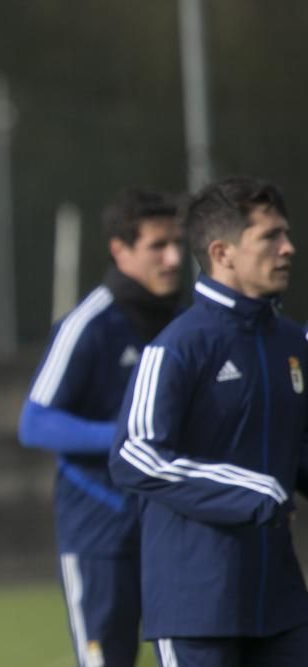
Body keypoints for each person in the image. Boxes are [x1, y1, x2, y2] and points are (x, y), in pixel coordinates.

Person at [109, 177, 308, 666]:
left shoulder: (293, 342)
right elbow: (134, 455)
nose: (289, 248)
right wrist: (252, 490)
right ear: (223, 252)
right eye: (270, 237)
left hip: (281, 603)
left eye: (285, 234)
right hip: (197, 608)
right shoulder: (178, 346)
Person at [18, 188, 184, 667]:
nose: (173, 258)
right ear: (120, 249)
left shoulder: (185, 321)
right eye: (158, 245)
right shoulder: (88, 323)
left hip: (172, 528)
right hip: (99, 535)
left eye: (177, 243)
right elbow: (35, 422)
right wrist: (127, 440)